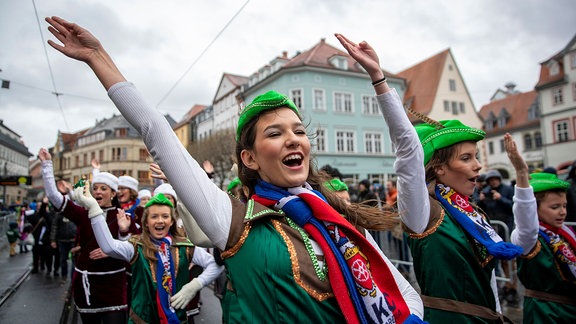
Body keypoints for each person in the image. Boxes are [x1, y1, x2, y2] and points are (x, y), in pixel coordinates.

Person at [46, 17, 425, 323]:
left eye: (299, 131)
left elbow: (399, 290)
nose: (294, 140)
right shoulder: (232, 218)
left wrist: (378, 80)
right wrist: (100, 59)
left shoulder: (336, 214)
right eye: (275, 134)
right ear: (250, 159)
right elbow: (157, 132)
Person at [405, 108, 527, 322]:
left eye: (476, 157)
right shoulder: (426, 213)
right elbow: (406, 163)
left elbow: (488, 282)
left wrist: (497, 314)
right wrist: (381, 86)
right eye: (466, 158)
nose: (478, 165)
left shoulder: (474, 214)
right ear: (440, 168)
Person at [74, 185, 223, 324]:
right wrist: (94, 209)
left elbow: (216, 265)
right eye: (154, 217)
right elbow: (108, 246)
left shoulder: (184, 246)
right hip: (142, 319)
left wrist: (194, 285)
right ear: (146, 222)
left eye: (165, 216)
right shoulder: (136, 246)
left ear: (172, 221)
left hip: (177, 319)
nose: (160, 221)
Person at [39, 147, 130, 323]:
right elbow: (54, 196)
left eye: (104, 188)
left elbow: (135, 245)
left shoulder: (122, 215)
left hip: (114, 284)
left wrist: (111, 249)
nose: (98, 192)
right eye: (95, 188)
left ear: (113, 193)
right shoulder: (83, 213)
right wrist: (47, 166)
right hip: (87, 284)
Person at [510, 171, 576, 323]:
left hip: (568, 312)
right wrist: (521, 174)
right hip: (546, 313)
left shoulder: (564, 233)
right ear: (534, 209)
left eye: (564, 206)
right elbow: (526, 222)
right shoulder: (529, 239)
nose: (563, 212)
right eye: (555, 207)